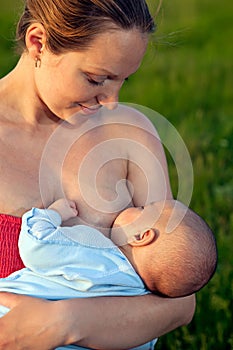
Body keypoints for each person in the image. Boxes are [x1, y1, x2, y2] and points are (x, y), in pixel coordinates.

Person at [0, 0, 197, 349]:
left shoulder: (129, 136)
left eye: (123, 79)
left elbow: (180, 301)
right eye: (96, 78)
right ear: (38, 43)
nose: (111, 101)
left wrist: (65, 323)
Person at [0, 198, 217, 349]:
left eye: (142, 208)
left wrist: (52, 214)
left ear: (141, 236)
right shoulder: (141, 307)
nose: (135, 207)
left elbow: (38, 246)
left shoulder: (98, 254)